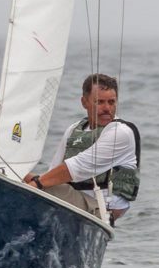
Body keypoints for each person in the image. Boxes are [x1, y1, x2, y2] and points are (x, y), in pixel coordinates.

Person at [25, 73, 140, 222]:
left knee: (30, 184)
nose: (107, 108)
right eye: (100, 102)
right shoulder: (74, 129)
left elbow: (78, 167)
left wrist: (34, 185)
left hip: (99, 210)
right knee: (13, 175)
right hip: (75, 203)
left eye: (111, 102)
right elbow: (52, 172)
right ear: (84, 102)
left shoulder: (121, 133)